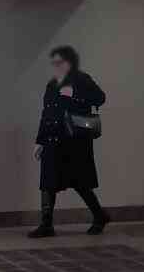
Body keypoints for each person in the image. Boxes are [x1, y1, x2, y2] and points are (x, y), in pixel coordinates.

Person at [29, 45, 110, 238]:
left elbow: (100, 98)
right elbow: (46, 113)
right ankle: (46, 224)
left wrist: (74, 95)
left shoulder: (82, 79)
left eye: (60, 62)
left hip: (75, 141)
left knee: (80, 182)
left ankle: (99, 215)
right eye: (54, 62)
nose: (56, 66)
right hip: (52, 139)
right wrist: (40, 141)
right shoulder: (52, 84)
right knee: (47, 182)